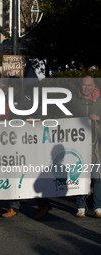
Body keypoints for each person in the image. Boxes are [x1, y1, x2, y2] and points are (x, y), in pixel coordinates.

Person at [0, 77, 52, 219]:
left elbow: (42, 114)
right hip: (11, 141)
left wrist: (35, 119)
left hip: (26, 143)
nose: (10, 88)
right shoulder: (5, 98)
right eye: (9, 85)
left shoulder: (27, 99)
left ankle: (40, 203)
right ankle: (17, 205)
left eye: (13, 85)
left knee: (26, 175)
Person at [67, 76, 101, 218]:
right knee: (79, 174)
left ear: (94, 86)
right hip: (78, 145)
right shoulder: (73, 101)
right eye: (83, 85)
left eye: (89, 85)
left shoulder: (99, 102)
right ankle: (80, 205)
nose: (86, 88)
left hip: (96, 145)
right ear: (80, 86)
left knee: (97, 176)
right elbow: (65, 119)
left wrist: (99, 119)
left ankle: (98, 206)